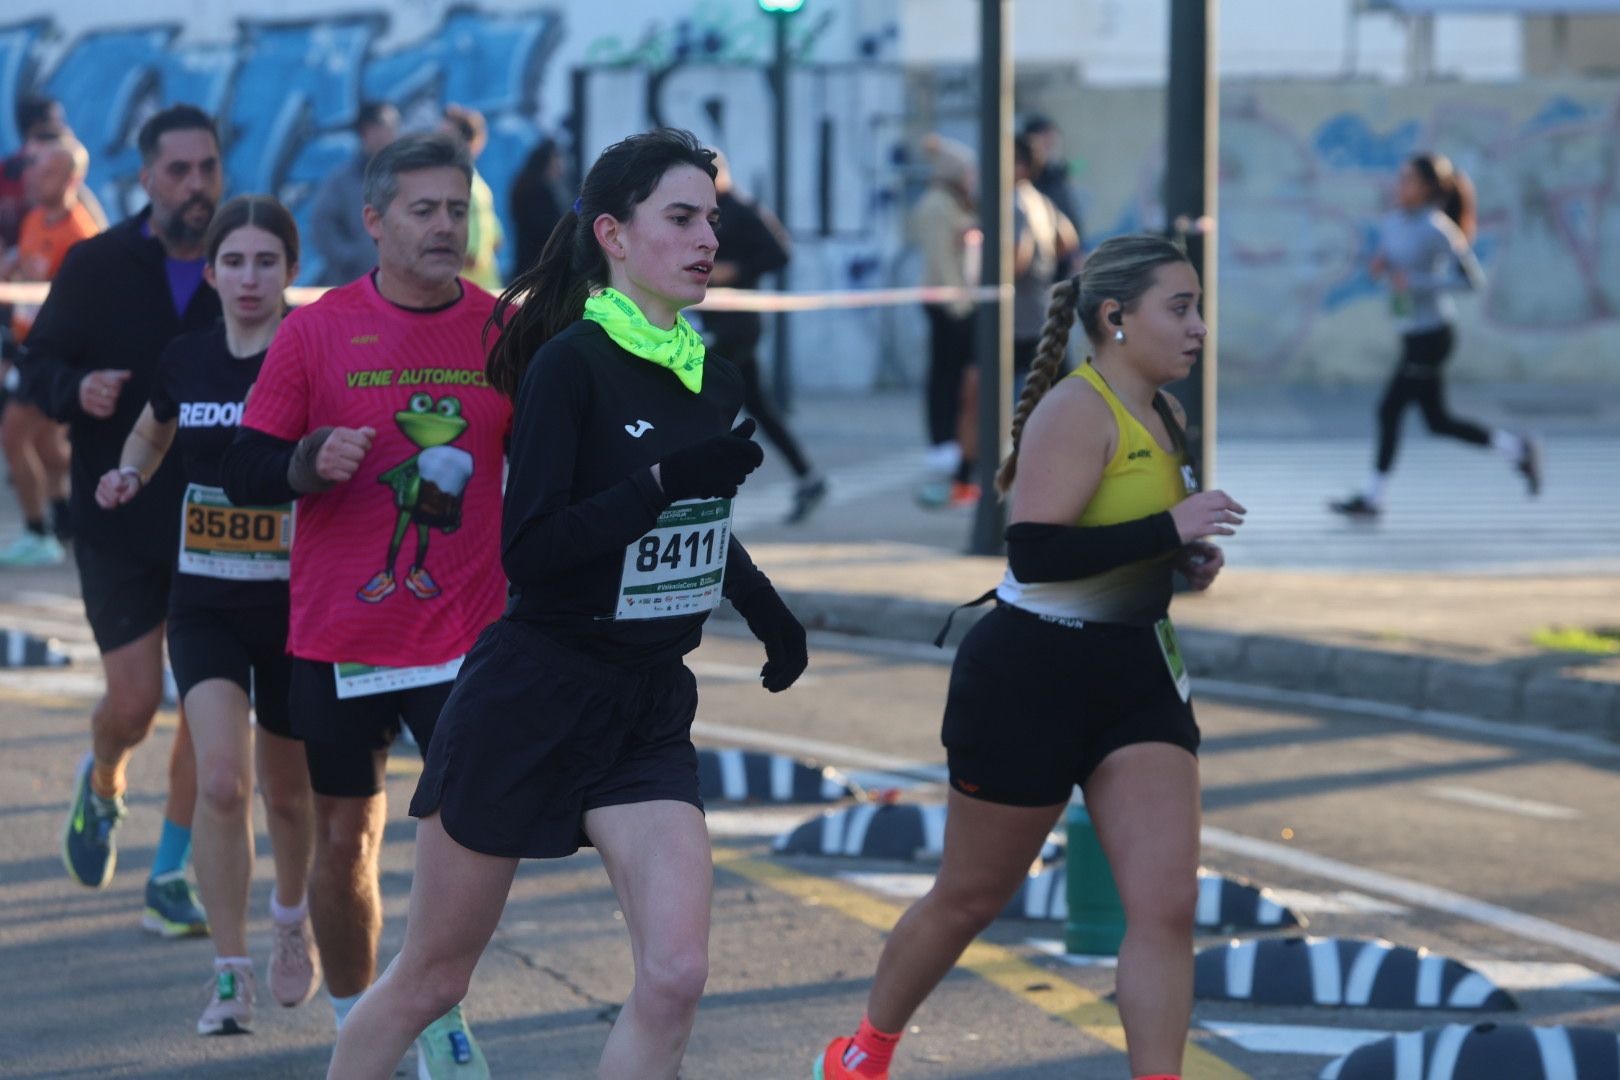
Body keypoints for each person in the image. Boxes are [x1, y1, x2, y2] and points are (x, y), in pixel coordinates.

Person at [326, 127, 809, 1080]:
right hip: (534, 695)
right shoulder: (570, 366)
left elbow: (695, 519)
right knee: (432, 980)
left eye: (709, 218)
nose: (707, 238)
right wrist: (668, 479)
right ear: (614, 235)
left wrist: (763, 604)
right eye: (680, 218)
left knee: (675, 976)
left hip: (645, 708)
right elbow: (535, 551)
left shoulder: (707, 370)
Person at [816, 235, 1247, 1080]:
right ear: (1116, 319)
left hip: (1136, 677)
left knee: (1165, 908)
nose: (1198, 327)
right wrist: (1168, 530)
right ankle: (862, 1053)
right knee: (971, 897)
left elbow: (1117, 545)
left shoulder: (1166, 415)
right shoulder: (1075, 410)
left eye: (1199, 307)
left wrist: (1179, 565)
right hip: (1030, 680)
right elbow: (1036, 554)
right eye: (1181, 307)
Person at [221, 132, 509, 1077]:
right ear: (375, 221)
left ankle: (435, 1005)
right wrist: (307, 462)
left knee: (459, 836)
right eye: (423, 211)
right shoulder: (317, 329)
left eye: (455, 210)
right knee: (347, 837)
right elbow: (246, 465)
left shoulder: (504, 330)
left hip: (467, 636)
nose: (443, 227)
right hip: (343, 637)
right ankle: (361, 1020)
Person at [94, 195, 322, 1036]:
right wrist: (129, 474)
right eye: (235, 262)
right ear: (213, 271)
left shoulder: (311, 355)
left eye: (267, 262)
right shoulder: (188, 358)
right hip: (206, 602)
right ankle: (229, 974)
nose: (250, 278)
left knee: (290, 796)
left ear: (290, 270)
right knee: (223, 782)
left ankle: (292, 920)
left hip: (298, 607)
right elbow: (152, 432)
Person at [22, 103, 224, 937]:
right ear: (146, 179)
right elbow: (37, 363)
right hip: (118, 513)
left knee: (207, 710)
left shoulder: (242, 263)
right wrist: (78, 392)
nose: (196, 185)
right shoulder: (98, 263)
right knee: (136, 703)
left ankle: (172, 869)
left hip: (220, 522)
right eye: (178, 171)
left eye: (208, 167)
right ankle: (104, 779)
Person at [1330, 153, 1540, 518]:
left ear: (1427, 188)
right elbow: (1390, 260)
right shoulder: (1393, 221)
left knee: (1390, 408)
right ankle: (1517, 449)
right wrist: (1381, 266)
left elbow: (1470, 280)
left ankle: (1372, 498)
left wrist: (1419, 283)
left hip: (1433, 335)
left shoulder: (1438, 227)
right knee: (1437, 420)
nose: (1400, 186)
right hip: (1410, 332)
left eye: (1408, 180)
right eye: (1400, 178)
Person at [704, 148, 826, 523]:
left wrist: (734, 269)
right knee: (757, 404)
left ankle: (702, 487)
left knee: (711, 404)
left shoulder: (741, 209)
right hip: (713, 319)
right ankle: (808, 476)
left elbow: (779, 253)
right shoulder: (704, 212)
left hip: (738, 324)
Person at [0, 138, 99, 565]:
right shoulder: (35, 218)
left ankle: (38, 531)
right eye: (35, 171)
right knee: (45, 443)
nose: (36, 180)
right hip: (27, 347)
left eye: (48, 172)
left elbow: (77, 308)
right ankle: (67, 520)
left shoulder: (81, 237)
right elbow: (21, 267)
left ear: (73, 179)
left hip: (52, 357)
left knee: (13, 435)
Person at [910, 134, 980, 509]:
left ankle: (952, 440)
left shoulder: (952, 202)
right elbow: (942, 260)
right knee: (946, 375)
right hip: (947, 302)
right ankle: (943, 441)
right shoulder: (938, 205)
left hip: (956, 301)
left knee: (955, 377)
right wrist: (960, 305)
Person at [1011, 135, 1080, 395]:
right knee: (1057, 384)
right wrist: (1047, 265)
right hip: (1040, 304)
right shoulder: (1040, 199)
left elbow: (1019, 259)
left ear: (1021, 166)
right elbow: (1068, 238)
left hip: (1017, 314)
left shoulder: (1014, 202)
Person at [310, 101, 399, 285]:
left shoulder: (405, 177)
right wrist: (351, 258)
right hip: (355, 287)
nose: (393, 134)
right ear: (367, 131)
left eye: (395, 126)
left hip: (400, 291)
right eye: (388, 126)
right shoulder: (342, 181)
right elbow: (322, 225)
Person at [438, 104, 503, 292]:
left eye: (447, 138)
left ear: (470, 144)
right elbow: (497, 240)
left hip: (475, 304)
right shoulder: (467, 185)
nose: (437, 145)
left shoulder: (468, 190)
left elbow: (473, 256)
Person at [1022, 115, 1085, 278]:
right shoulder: (1028, 182)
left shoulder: (1058, 174)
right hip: (1038, 264)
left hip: (1061, 260)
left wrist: (1076, 255)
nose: (1049, 148)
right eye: (1045, 142)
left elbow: (1070, 218)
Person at [508, 136, 568, 276]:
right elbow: (545, 229)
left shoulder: (524, 185)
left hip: (527, 262)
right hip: (540, 264)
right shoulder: (539, 191)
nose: (561, 166)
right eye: (557, 161)